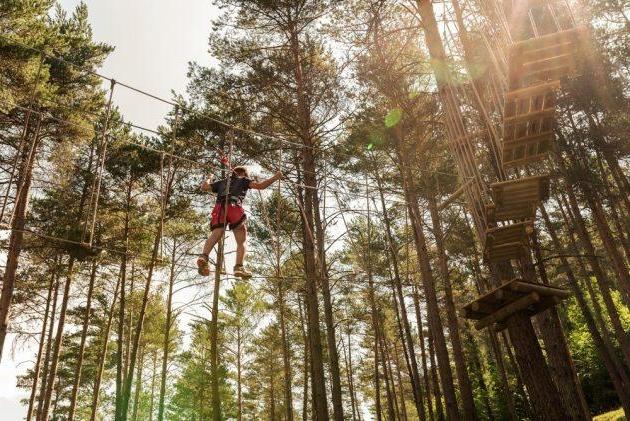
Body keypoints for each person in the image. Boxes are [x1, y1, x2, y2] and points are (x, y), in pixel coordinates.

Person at [197, 166, 282, 278]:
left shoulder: (223, 182)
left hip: (219, 208)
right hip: (234, 207)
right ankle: (239, 267)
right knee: (241, 240)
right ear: (244, 174)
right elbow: (261, 186)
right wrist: (276, 177)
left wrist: (209, 177)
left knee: (216, 234)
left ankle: (204, 256)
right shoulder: (244, 180)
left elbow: (204, 187)